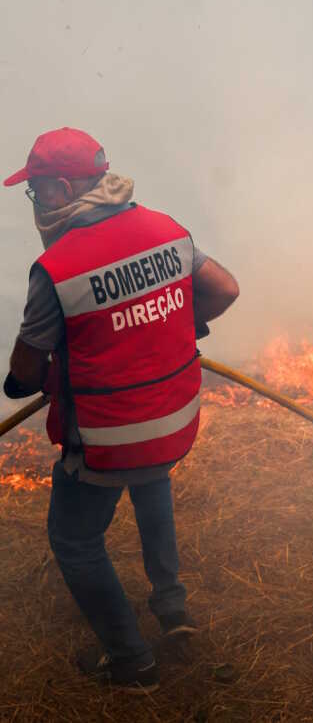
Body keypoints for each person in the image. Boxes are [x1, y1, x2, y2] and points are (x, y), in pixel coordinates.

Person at [3, 127, 239, 692]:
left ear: (61, 189)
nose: (36, 203)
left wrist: (29, 379)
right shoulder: (165, 230)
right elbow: (224, 290)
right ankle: (172, 606)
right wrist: (170, 329)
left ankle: (132, 663)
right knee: (151, 478)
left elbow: (24, 376)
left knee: (75, 541)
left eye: (36, 191)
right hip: (174, 422)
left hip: (110, 439)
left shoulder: (56, 271)